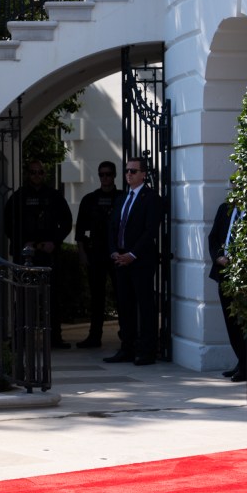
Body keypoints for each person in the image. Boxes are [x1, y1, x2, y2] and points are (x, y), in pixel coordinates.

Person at [3, 159, 74, 348]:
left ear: (45, 174)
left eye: (40, 172)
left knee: (51, 296)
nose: (37, 176)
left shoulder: (54, 196)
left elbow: (66, 222)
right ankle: (20, 338)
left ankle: (55, 339)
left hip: (48, 254)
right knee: (24, 297)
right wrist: (22, 243)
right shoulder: (18, 197)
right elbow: (8, 224)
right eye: (33, 172)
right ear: (27, 174)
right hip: (25, 254)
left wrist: (54, 242)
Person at [104, 156, 162, 366]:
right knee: (124, 305)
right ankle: (126, 348)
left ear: (144, 175)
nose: (129, 174)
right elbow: (112, 227)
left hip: (140, 261)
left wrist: (132, 255)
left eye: (133, 171)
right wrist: (114, 252)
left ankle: (147, 350)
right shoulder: (122, 198)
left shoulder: (151, 198)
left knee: (145, 305)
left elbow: (149, 231)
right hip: (120, 260)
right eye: (127, 170)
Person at [74, 160, 119, 349]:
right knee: (97, 298)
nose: (105, 178)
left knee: (122, 297)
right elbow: (81, 231)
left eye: (108, 174)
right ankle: (94, 336)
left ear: (114, 175)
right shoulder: (89, 200)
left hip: (118, 254)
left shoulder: (123, 197)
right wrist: (82, 253)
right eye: (102, 174)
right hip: (96, 254)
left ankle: (128, 336)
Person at [208, 187, 247, 381]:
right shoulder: (225, 209)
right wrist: (218, 257)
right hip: (225, 273)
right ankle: (241, 361)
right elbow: (213, 238)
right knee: (231, 321)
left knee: (246, 321)